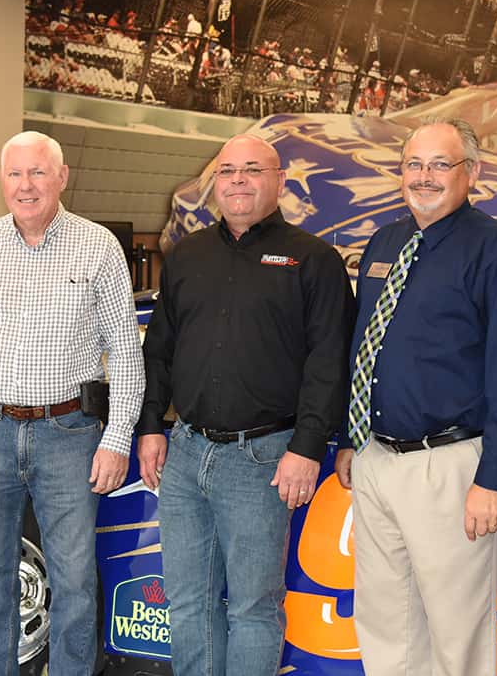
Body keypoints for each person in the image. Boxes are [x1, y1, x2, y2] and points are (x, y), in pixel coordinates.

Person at [0, 130, 143, 675]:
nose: (27, 186)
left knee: (73, 580)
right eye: (15, 174)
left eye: (38, 173)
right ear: (2, 181)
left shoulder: (98, 246)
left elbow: (126, 352)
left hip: (68, 434)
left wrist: (116, 439)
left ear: (62, 178)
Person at [137, 134, 356, 675]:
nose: (237, 180)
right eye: (227, 170)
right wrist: (150, 427)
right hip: (185, 454)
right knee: (188, 602)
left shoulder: (315, 260)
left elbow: (331, 363)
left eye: (251, 169)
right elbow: (159, 350)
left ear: (279, 182)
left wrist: (307, 446)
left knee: (255, 609)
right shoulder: (187, 256)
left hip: (264, 458)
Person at [336, 117, 497, 676]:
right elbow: (366, 347)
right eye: (413, 165)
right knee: (387, 628)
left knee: (458, 637)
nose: (423, 177)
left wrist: (495, 476)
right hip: (378, 461)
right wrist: (352, 439)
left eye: (439, 165)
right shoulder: (384, 243)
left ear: (471, 172)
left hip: (453, 468)